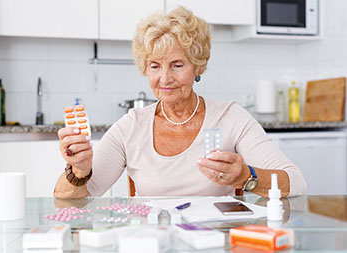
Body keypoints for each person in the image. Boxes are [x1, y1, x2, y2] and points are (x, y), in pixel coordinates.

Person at [54, 7, 306, 199]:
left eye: (177, 65)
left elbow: (296, 183)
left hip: (214, 242)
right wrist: (78, 172)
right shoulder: (131, 126)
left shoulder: (230, 117)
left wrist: (246, 176)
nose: (165, 79)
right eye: (155, 66)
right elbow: (71, 200)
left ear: (197, 66)